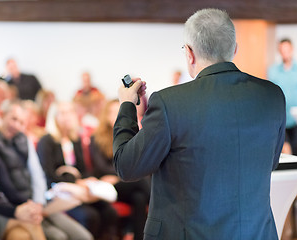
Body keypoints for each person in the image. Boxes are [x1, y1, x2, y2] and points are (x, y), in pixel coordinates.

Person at [113, 8, 286, 240]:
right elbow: (270, 162)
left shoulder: (169, 102)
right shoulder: (272, 96)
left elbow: (127, 166)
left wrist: (126, 106)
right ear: (234, 49)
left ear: (190, 53)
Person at [0, 100, 93, 240]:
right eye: (13, 119)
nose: (17, 125)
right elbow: (2, 184)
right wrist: (29, 206)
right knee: (58, 237)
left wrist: (38, 202)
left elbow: (37, 174)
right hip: (14, 207)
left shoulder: (23, 139)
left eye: (21, 122)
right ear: (1, 114)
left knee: (83, 236)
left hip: (37, 203)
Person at [37, 101, 118, 240]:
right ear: (54, 117)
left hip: (77, 190)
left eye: (70, 112)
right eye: (62, 113)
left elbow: (83, 170)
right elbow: (49, 175)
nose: (67, 116)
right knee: (90, 216)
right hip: (59, 193)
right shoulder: (46, 141)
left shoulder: (75, 139)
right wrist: (77, 181)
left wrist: (87, 179)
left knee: (109, 212)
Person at [90, 99, 150, 240]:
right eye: (111, 112)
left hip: (123, 180)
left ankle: (139, 237)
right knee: (140, 182)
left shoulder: (126, 136)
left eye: (118, 112)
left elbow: (133, 163)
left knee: (139, 198)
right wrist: (121, 173)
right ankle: (161, 206)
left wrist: (120, 174)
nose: (115, 116)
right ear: (106, 115)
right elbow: (102, 167)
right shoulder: (96, 138)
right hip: (106, 184)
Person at [268, 38, 297, 156]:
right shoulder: (273, 71)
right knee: (283, 149)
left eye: (287, 50)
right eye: (282, 50)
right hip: (282, 118)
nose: (285, 53)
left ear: (292, 50)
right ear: (279, 52)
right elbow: (271, 93)